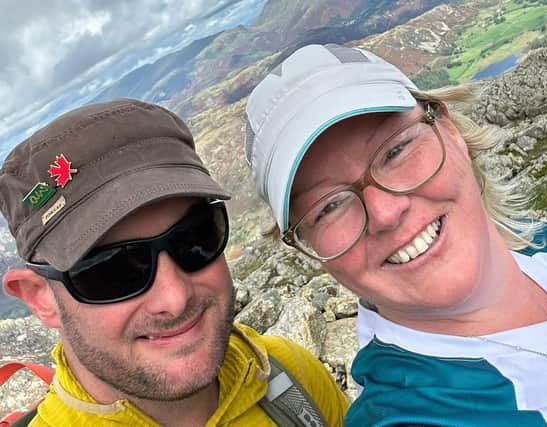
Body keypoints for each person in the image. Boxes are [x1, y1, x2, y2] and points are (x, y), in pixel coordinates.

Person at [244, 43, 547, 427]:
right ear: (308, 247)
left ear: (449, 130)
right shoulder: (406, 416)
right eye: (328, 206)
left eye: (395, 151)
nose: (384, 212)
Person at [0, 98, 349, 426]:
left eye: (195, 238)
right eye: (112, 270)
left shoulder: (286, 375)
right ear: (40, 298)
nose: (175, 297)